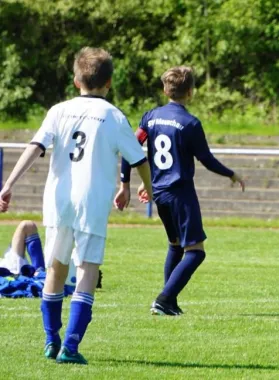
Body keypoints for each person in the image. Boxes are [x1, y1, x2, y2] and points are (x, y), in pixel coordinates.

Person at [0, 47, 152, 364]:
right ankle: (70, 345)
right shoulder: (113, 116)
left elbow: (36, 146)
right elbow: (138, 159)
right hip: (92, 202)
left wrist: (9, 184)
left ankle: (50, 340)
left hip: (57, 200)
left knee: (55, 270)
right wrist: (145, 187)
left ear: (75, 80)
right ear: (109, 82)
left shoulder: (58, 111)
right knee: (86, 270)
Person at [119, 66, 245, 316]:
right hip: (181, 193)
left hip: (160, 194)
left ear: (166, 89)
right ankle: (164, 299)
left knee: (175, 246)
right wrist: (231, 174)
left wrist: (127, 183)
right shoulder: (190, 123)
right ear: (190, 92)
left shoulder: (150, 117)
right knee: (196, 252)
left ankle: (170, 303)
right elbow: (206, 159)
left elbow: (130, 146)